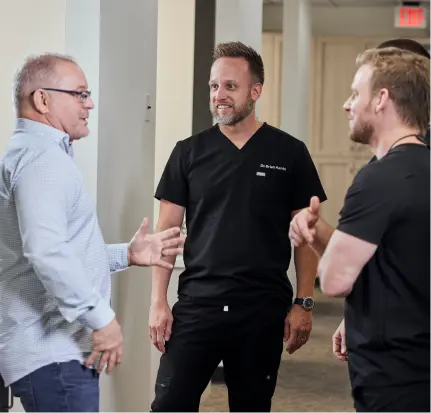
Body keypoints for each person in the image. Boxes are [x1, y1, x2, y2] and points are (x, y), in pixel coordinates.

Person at [0, 53, 184, 413]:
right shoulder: (42, 159)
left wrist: (125, 255)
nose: (91, 103)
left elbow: (48, 249)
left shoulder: (34, 153)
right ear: (42, 99)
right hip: (53, 355)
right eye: (80, 94)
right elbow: (46, 250)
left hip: (52, 354)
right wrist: (100, 317)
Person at [149, 41, 327, 413]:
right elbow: (165, 237)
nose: (220, 96)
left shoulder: (289, 153)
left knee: (251, 407)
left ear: (255, 91)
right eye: (214, 86)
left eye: (230, 86)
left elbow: (306, 239)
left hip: (260, 308)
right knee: (169, 404)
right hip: (199, 305)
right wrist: (158, 303)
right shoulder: (188, 152)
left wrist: (304, 303)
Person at [289, 46, 431, 412]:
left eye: (356, 93)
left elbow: (336, 280)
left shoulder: (378, 178)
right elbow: (394, 261)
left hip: (394, 374)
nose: (347, 105)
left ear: (382, 98)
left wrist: (312, 238)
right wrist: (319, 232)